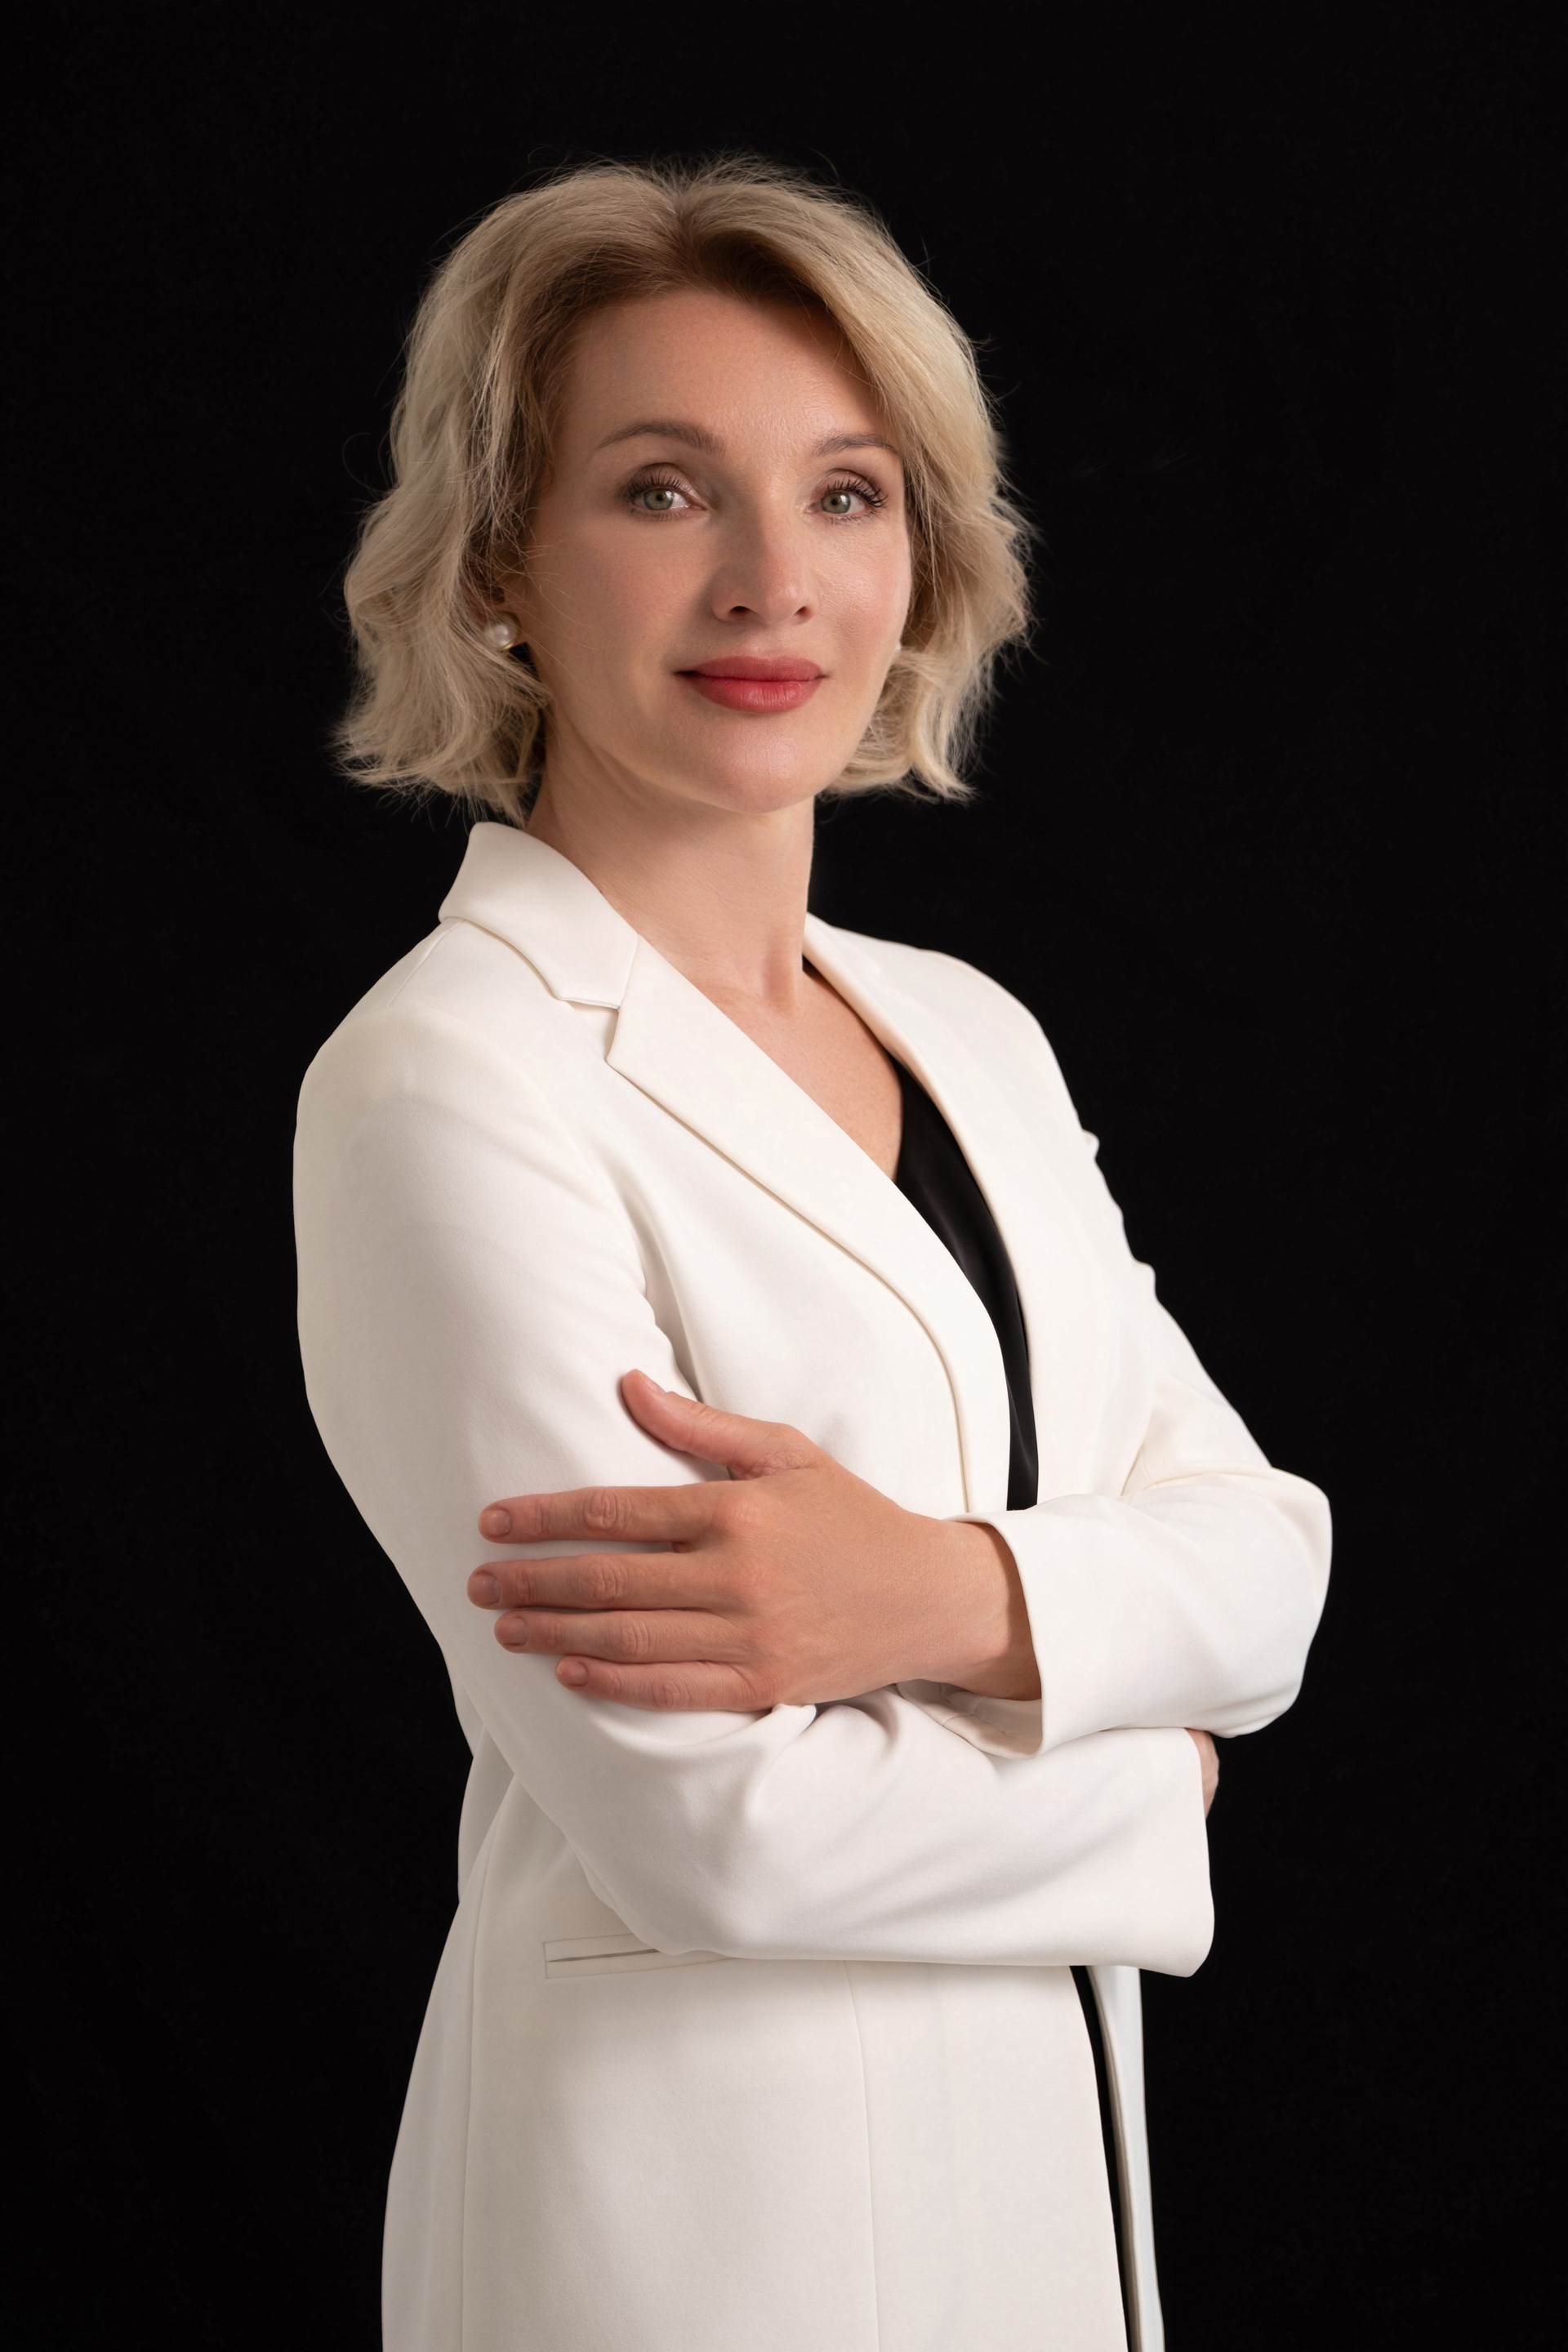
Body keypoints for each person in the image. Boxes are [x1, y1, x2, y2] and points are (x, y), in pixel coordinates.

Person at [295, 158, 1330, 2352]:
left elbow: (1269, 1564)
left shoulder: (971, 1032)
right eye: (664, 490)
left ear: (920, 558)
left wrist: (928, 1597)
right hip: (687, 2240)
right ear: (496, 564)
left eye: (846, 494)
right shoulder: (445, 1079)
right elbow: (720, 1834)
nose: (773, 578)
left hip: (1049, 2200)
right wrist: (1154, 1773)